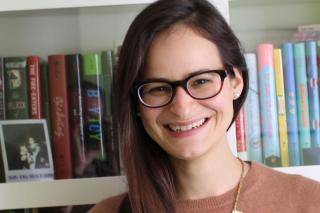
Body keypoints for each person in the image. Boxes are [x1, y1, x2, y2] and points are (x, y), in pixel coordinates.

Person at [89, 0, 320, 212]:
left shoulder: (310, 202)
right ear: (136, 105)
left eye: (201, 81)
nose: (182, 107)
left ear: (236, 82)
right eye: (158, 88)